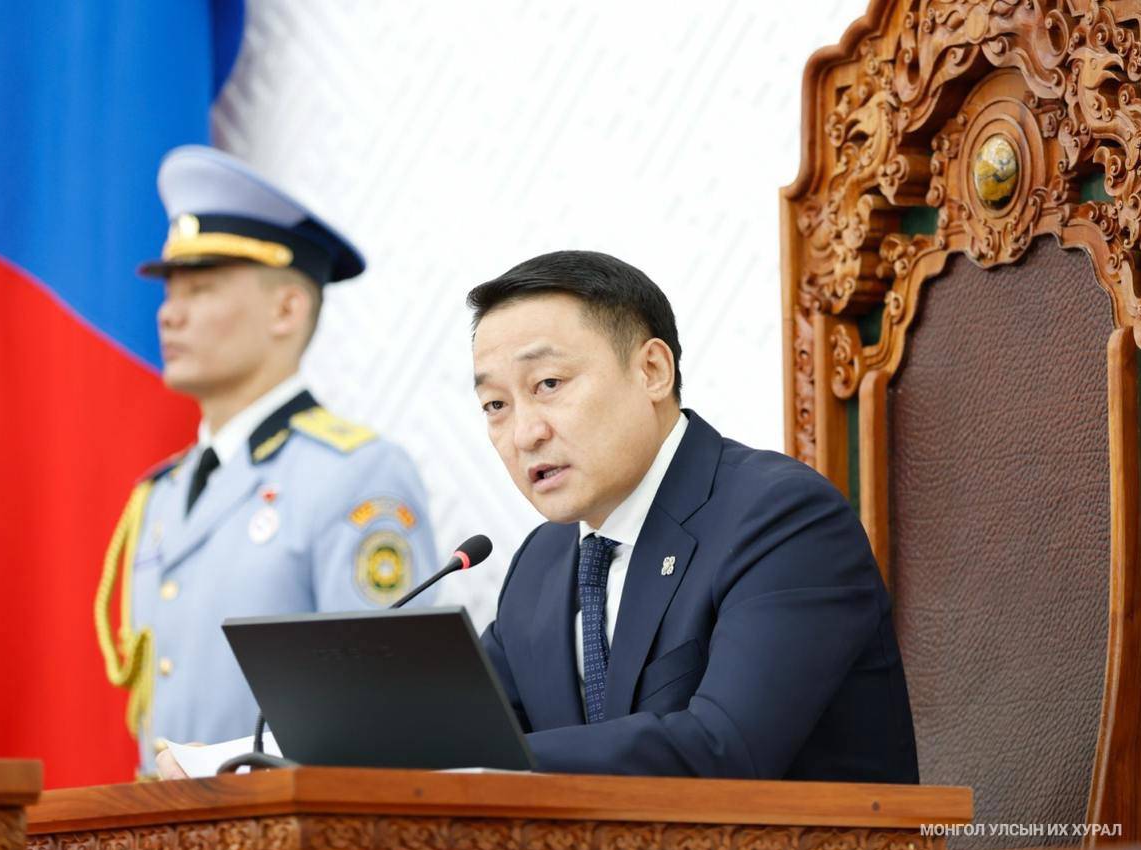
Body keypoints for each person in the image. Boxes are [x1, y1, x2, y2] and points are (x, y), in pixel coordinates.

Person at [156, 249, 916, 782]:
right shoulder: (543, 564)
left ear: (653, 370)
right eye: (495, 405)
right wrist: (248, 758)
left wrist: (472, 759)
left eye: (549, 384)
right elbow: (442, 722)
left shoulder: (781, 519)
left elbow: (724, 750)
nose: (523, 433)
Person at [96, 146, 436, 777]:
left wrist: (219, 769)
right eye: (170, 291)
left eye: (201, 289)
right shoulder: (162, 494)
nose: (169, 313)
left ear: (287, 309)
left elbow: (388, 715)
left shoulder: (355, 475)